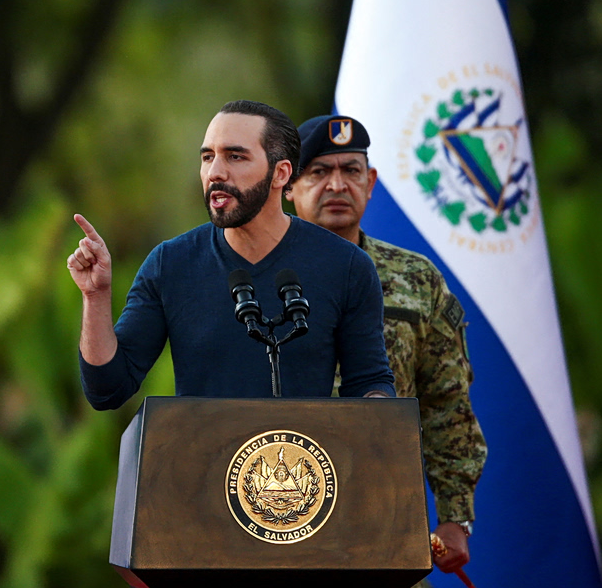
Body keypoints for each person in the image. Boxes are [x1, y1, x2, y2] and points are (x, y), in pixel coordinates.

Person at [289, 114, 487, 588]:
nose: (337, 185)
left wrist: (454, 514)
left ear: (371, 183)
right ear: (288, 188)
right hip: (279, 519)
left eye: (351, 171)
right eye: (319, 172)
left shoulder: (416, 279)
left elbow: (447, 406)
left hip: (385, 525)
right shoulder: (255, 278)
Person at [67, 100, 394, 407]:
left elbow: (369, 382)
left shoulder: (347, 266)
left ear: (280, 174)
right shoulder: (169, 264)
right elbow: (107, 390)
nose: (215, 173)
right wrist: (95, 295)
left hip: (301, 466)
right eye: (208, 157)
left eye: (235, 157)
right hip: (202, 464)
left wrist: (379, 413)